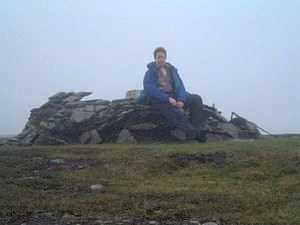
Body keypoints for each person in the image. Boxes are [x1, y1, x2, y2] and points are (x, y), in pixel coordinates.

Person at [143, 47, 207, 141]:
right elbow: (149, 88)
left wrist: (181, 99)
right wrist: (167, 98)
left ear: (165, 58)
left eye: (163, 57)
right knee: (175, 112)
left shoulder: (172, 70)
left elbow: (180, 86)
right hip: (159, 98)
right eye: (159, 57)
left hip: (175, 96)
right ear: (155, 58)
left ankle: (196, 128)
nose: (161, 59)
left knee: (196, 99)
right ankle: (195, 134)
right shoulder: (150, 72)